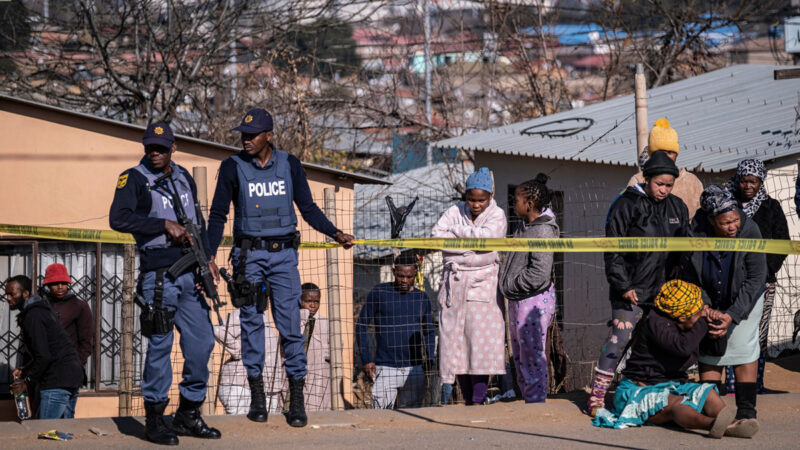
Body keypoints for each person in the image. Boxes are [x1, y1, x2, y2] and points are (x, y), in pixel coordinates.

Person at [207, 108, 354, 427]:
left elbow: (308, 208)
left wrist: (335, 232)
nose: (246, 140)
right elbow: (218, 215)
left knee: (290, 325)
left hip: (283, 257)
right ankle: (257, 396)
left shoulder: (289, 165)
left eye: (253, 135)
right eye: (243, 135)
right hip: (248, 257)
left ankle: (297, 399)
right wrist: (208, 255)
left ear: (269, 136)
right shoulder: (232, 167)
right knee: (251, 325)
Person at [109, 122, 219, 444]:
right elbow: (118, 219)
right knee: (160, 345)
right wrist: (161, 224)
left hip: (191, 273)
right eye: (149, 147)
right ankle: (155, 419)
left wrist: (208, 259)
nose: (154, 152)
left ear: (174, 147)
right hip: (159, 275)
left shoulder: (184, 177)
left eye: (160, 147)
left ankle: (188, 413)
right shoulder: (134, 179)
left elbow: (197, 223)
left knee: (202, 343)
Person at [587, 151, 690, 416]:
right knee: (619, 340)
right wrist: (623, 286)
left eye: (669, 185)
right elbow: (613, 251)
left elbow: (684, 249)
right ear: (647, 179)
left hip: (664, 293)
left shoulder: (678, 207)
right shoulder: (626, 204)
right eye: (660, 184)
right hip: (630, 291)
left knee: (658, 345)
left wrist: (679, 281)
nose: (664, 190)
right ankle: (597, 399)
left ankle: (651, 395)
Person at [591, 280, 755, 438]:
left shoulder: (689, 323)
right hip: (639, 391)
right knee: (678, 404)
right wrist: (704, 322)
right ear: (683, 318)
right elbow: (681, 348)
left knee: (708, 392)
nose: (702, 313)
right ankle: (713, 424)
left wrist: (717, 329)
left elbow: (716, 351)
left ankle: (733, 424)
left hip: (672, 386)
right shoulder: (656, 322)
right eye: (698, 313)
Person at [682, 185, 767, 435]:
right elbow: (692, 276)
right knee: (710, 350)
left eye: (735, 220)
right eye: (725, 222)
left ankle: (746, 413)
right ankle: (716, 413)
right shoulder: (694, 233)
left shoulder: (750, 230)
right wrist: (706, 308)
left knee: (743, 347)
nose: (733, 227)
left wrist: (731, 314)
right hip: (707, 299)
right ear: (711, 221)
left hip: (744, 299)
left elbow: (755, 279)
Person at [431, 167, 507, 405]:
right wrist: (473, 247)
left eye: (481, 200)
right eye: (471, 199)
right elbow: (436, 237)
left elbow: (489, 243)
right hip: (455, 287)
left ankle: (478, 398)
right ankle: (466, 399)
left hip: (483, 291)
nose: (475, 205)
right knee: (457, 346)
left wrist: (457, 235)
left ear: (490, 196)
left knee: (479, 346)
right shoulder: (454, 210)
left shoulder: (498, 215)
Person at [722, 159, 789, 394]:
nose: (748, 185)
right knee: (733, 330)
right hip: (732, 283)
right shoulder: (727, 206)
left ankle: (754, 384)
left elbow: (782, 242)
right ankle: (732, 385)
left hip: (764, 283)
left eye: (753, 181)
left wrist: (766, 271)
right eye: (743, 180)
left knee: (760, 334)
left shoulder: (772, 208)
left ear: (761, 182)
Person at [499, 173, 559, 403]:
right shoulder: (526, 226)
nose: (514, 204)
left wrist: (512, 284)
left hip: (532, 300)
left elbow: (539, 272)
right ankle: (529, 400)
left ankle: (535, 403)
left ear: (530, 204)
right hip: (520, 298)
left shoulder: (542, 231)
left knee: (532, 355)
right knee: (522, 356)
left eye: (517, 200)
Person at [356, 253, 435, 409]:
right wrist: (366, 359)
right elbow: (361, 326)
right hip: (385, 367)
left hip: (414, 369)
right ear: (393, 272)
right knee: (381, 416)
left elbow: (429, 332)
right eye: (400, 276)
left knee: (412, 417)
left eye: (409, 277)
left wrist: (429, 360)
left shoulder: (421, 298)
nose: (404, 280)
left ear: (415, 274)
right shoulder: (380, 293)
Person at [5, 275, 84, 419]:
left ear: (25, 293)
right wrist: (25, 370)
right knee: (64, 435)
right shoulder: (41, 311)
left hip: (57, 381)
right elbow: (48, 350)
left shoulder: (33, 315)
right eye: (7, 294)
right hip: (71, 377)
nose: (8, 298)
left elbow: (44, 356)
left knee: (46, 434)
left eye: (12, 294)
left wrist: (26, 382)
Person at [627, 118, 703, 218]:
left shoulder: (692, 182)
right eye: (661, 152)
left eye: (670, 152)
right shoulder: (638, 181)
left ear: (676, 154)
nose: (665, 156)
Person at [214, 309, 286, 415]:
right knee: (242, 426)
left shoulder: (264, 315)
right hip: (241, 385)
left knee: (263, 428)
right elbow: (218, 330)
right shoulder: (244, 312)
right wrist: (239, 350)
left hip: (265, 388)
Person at [41, 263, 94, 379]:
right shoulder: (41, 306)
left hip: (70, 369)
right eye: (55, 283)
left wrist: (77, 363)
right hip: (46, 371)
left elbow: (86, 341)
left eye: (63, 283)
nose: (60, 287)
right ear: (48, 285)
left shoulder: (79, 306)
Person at [300, 282, 334, 411]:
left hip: (322, 374)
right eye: (308, 301)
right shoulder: (294, 322)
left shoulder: (326, 323)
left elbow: (336, 347)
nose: (313, 305)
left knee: (323, 407)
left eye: (316, 301)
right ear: (300, 300)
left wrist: (322, 351)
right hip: (301, 373)